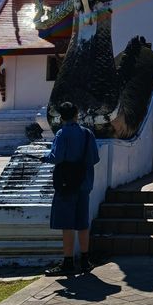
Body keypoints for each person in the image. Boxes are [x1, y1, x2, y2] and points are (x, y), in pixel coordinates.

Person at [41, 101, 100, 276]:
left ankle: (67, 262)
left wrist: (45, 157)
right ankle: (85, 260)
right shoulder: (88, 134)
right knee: (82, 222)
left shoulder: (62, 133)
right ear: (76, 114)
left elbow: (56, 157)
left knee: (67, 224)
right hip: (84, 182)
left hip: (66, 183)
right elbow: (94, 159)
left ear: (61, 116)